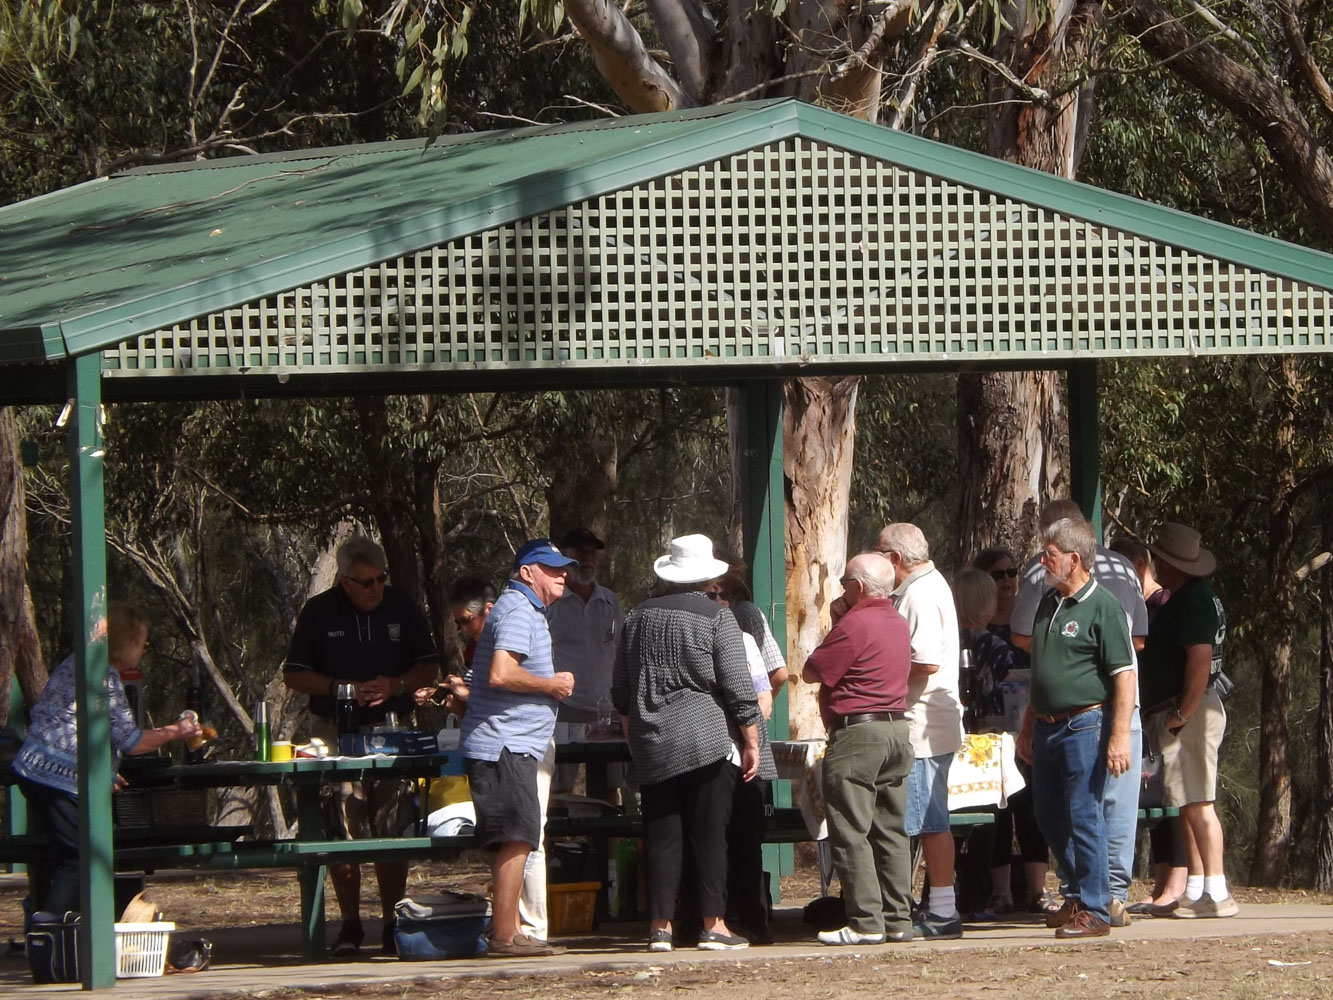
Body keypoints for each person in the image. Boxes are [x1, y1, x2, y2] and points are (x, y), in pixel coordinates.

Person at [283, 535, 440, 955]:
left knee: (391, 825)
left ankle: (392, 923)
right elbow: (294, 675)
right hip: (335, 729)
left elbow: (428, 666)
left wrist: (398, 684)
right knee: (342, 824)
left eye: (380, 580)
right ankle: (350, 924)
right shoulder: (319, 612)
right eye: (365, 582)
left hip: (392, 726)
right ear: (344, 581)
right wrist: (339, 688)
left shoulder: (402, 607)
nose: (375, 589)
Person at [612, 533, 765, 953]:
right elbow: (738, 686)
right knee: (708, 833)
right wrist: (751, 739)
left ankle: (660, 926)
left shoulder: (636, 617)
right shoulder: (718, 618)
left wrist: (634, 737)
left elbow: (622, 690)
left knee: (662, 833)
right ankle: (712, 925)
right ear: (706, 576)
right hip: (705, 737)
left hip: (651, 739)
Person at [13, 601, 202, 917]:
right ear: (126, 643)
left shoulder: (77, 664)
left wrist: (99, 771)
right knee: (80, 857)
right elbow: (132, 741)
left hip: (39, 770)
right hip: (53, 776)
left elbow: (82, 728)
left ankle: (62, 923)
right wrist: (177, 731)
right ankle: (52, 931)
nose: (143, 651)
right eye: (142, 643)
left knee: (69, 854)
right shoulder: (104, 676)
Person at [1010, 500, 1148, 928]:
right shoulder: (1049, 602)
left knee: (1085, 813)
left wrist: (1119, 736)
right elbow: (1044, 671)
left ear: (1074, 559)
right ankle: (1077, 893)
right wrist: (1027, 726)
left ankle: (1094, 905)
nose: (1042, 560)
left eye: (1049, 554)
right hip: (1048, 726)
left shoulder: (1102, 606)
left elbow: (1124, 675)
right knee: (1049, 816)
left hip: (1086, 724)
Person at [460, 539, 577, 956]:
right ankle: (505, 936)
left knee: (519, 836)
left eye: (564, 567)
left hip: (512, 744)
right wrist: (552, 684)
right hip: (503, 744)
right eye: (552, 568)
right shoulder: (515, 611)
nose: (563, 574)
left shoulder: (524, 610)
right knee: (516, 836)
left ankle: (509, 931)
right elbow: (501, 672)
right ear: (528, 572)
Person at [802, 553, 915, 945]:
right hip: (896, 731)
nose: (841, 589)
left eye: (845, 582)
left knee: (850, 829)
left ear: (859, 587)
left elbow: (813, 669)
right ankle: (898, 918)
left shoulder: (855, 623)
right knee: (890, 829)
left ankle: (866, 921)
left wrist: (838, 622)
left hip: (858, 735)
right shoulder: (897, 623)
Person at [1141, 522, 1238, 918]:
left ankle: (1218, 893)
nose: (1158, 565)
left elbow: (1199, 662)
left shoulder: (1192, 601)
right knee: (1186, 801)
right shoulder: (1193, 597)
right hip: (1184, 712)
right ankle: (1197, 889)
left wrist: (1183, 712)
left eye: (1161, 559)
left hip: (1189, 713)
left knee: (1199, 803)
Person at [875, 522, 964, 940]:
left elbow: (925, 661)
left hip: (923, 725)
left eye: (880, 554)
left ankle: (942, 909)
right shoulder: (917, 589)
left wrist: (874, 667)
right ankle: (915, 904)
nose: (877, 562)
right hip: (920, 722)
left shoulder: (921, 594)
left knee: (928, 820)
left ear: (895, 559)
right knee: (922, 820)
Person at [952, 567, 1050, 920]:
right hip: (1003, 741)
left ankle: (999, 891)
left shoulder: (947, 643)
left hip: (961, 740)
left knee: (991, 817)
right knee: (1023, 807)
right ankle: (1035, 890)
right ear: (986, 605)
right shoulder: (997, 647)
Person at [1109, 536, 1188, 915]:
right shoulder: (1141, 604)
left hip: (1169, 712)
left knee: (1173, 797)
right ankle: (1160, 882)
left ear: (1139, 566)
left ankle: (1178, 882)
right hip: (1145, 711)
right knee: (1154, 791)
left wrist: (1181, 711)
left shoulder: (1165, 605)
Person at [547, 528, 624, 797]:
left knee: (611, 787)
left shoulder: (609, 601)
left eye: (592, 553)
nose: (588, 559)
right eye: (581, 553)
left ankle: (610, 840)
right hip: (563, 707)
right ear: (564, 558)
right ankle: (557, 840)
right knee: (556, 786)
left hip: (607, 707)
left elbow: (622, 651)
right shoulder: (551, 603)